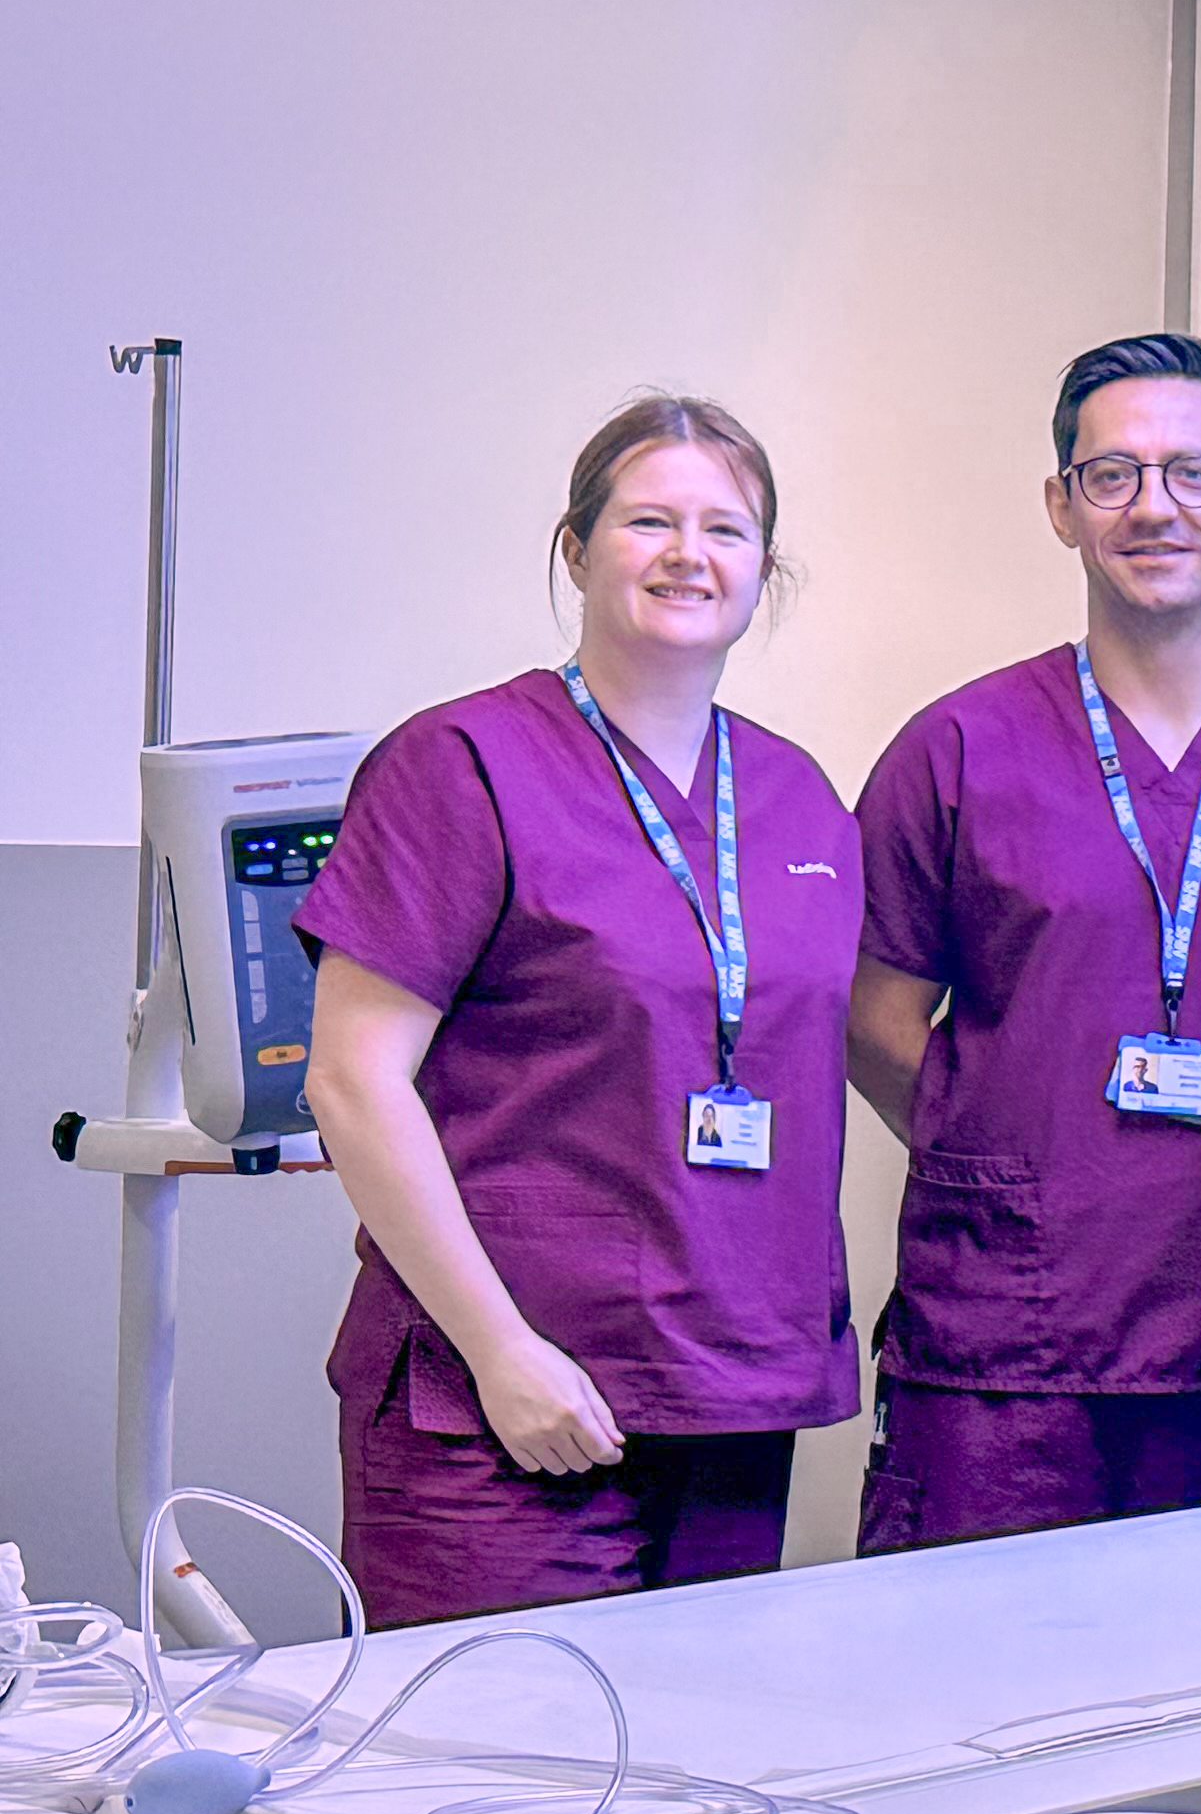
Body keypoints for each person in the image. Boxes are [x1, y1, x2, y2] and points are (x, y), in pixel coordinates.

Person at [847, 333, 1201, 1552]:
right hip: (1007, 1352)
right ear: (1062, 508)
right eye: (1112, 476)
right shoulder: (957, 751)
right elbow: (871, 1011)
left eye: (1192, 474)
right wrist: (1001, 1146)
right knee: (974, 1688)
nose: (1154, 506)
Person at [300, 397, 861, 1626]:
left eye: (726, 528)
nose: (687, 554)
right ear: (577, 549)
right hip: (500, 1400)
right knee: (502, 1789)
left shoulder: (798, 797)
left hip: (726, 1393)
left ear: (765, 569)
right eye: (648, 519)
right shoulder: (462, 765)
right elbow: (350, 1079)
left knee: (696, 1785)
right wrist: (502, 1353)